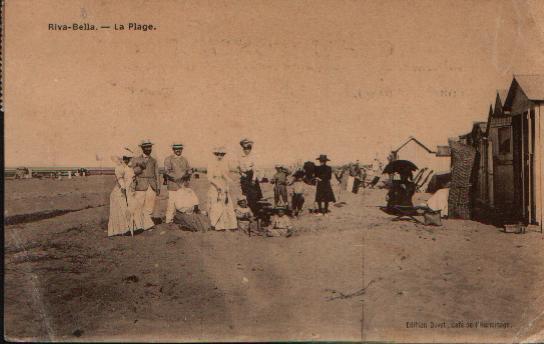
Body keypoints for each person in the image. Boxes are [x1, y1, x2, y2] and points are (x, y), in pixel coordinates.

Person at [131, 140, 160, 231]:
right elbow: (132, 172)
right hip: (140, 185)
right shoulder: (136, 159)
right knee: (138, 206)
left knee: (150, 206)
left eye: (150, 147)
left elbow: (157, 174)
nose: (148, 149)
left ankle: (148, 225)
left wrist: (158, 186)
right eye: (146, 147)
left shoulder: (154, 160)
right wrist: (140, 167)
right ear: (142, 148)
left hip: (152, 185)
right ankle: (138, 225)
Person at [108, 148, 136, 237]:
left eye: (128, 158)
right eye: (125, 158)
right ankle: (121, 229)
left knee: (130, 209)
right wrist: (124, 187)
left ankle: (130, 228)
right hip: (120, 192)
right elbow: (120, 179)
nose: (127, 160)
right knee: (121, 210)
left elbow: (132, 178)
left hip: (129, 190)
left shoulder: (130, 168)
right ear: (122, 158)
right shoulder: (118, 168)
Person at [207, 146, 237, 231]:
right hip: (214, 185)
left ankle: (229, 225)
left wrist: (230, 181)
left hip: (223, 184)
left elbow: (224, 175)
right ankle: (216, 225)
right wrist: (217, 186)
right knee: (216, 204)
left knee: (227, 203)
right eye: (218, 154)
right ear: (215, 154)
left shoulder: (224, 163)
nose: (220, 156)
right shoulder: (211, 163)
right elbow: (209, 177)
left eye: (222, 154)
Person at [164, 143, 191, 224]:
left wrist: (188, 174)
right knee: (171, 204)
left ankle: (181, 220)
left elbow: (188, 169)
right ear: (173, 149)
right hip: (173, 185)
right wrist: (179, 178)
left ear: (182, 149)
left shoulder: (184, 159)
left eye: (180, 148)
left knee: (183, 203)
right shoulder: (168, 159)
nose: (178, 150)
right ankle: (169, 221)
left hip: (183, 185)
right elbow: (167, 172)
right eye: (176, 149)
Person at [237, 138, 263, 214]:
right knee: (245, 194)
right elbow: (238, 167)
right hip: (244, 177)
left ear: (250, 149)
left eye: (248, 148)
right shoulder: (240, 157)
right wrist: (242, 174)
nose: (246, 150)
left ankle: (256, 211)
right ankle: (247, 211)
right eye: (245, 148)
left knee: (254, 195)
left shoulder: (253, 157)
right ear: (243, 148)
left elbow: (255, 169)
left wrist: (253, 179)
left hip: (251, 176)